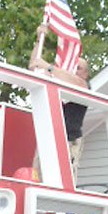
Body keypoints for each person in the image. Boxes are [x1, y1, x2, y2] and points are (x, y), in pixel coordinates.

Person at [28, 24, 90, 177]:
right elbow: (33, 68)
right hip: (48, 137)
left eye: (79, 68)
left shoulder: (84, 84)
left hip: (69, 139)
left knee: (64, 178)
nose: (74, 69)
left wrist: (48, 66)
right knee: (38, 177)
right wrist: (38, 40)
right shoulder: (58, 79)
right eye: (73, 66)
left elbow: (77, 83)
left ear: (86, 74)